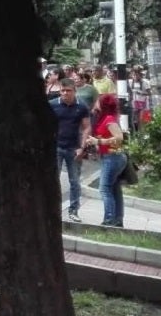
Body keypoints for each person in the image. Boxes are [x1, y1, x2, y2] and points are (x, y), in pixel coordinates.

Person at [52, 79, 91, 223]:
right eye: (62, 90)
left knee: (74, 181)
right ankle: (53, 210)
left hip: (73, 148)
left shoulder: (81, 106)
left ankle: (73, 210)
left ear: (74, 91)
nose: (65, 93)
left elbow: (86, 127)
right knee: (54, 180)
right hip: (56, 147)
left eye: (68, 91)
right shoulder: (53, 105)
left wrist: (82, 147)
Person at [88, 93, 128, 227]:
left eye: (98, 101)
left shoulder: (109, 119)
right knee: (115, 188)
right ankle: (118, 219)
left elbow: (119, 137)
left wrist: (99, 141)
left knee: (104, 188)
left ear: (103, 104)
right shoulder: (103, 117)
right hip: (111, 156)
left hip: (113, 157)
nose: (96, 103)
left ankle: (109, 219)